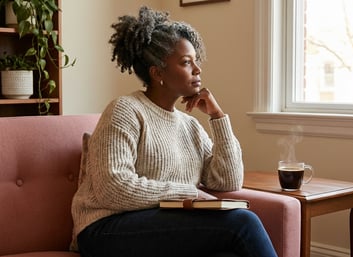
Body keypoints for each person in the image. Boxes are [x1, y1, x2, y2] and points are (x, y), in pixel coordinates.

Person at [70, 6, 277, 257]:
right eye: (186, 63)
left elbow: (228, 180)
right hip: (105, 229)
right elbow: (113, 189)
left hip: (158, 225)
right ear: (158, 73)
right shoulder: (125, 110)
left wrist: (218, 117)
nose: (197, 69)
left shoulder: (189, 125)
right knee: (243, 223)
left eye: (195, 61)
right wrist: (189, 193)